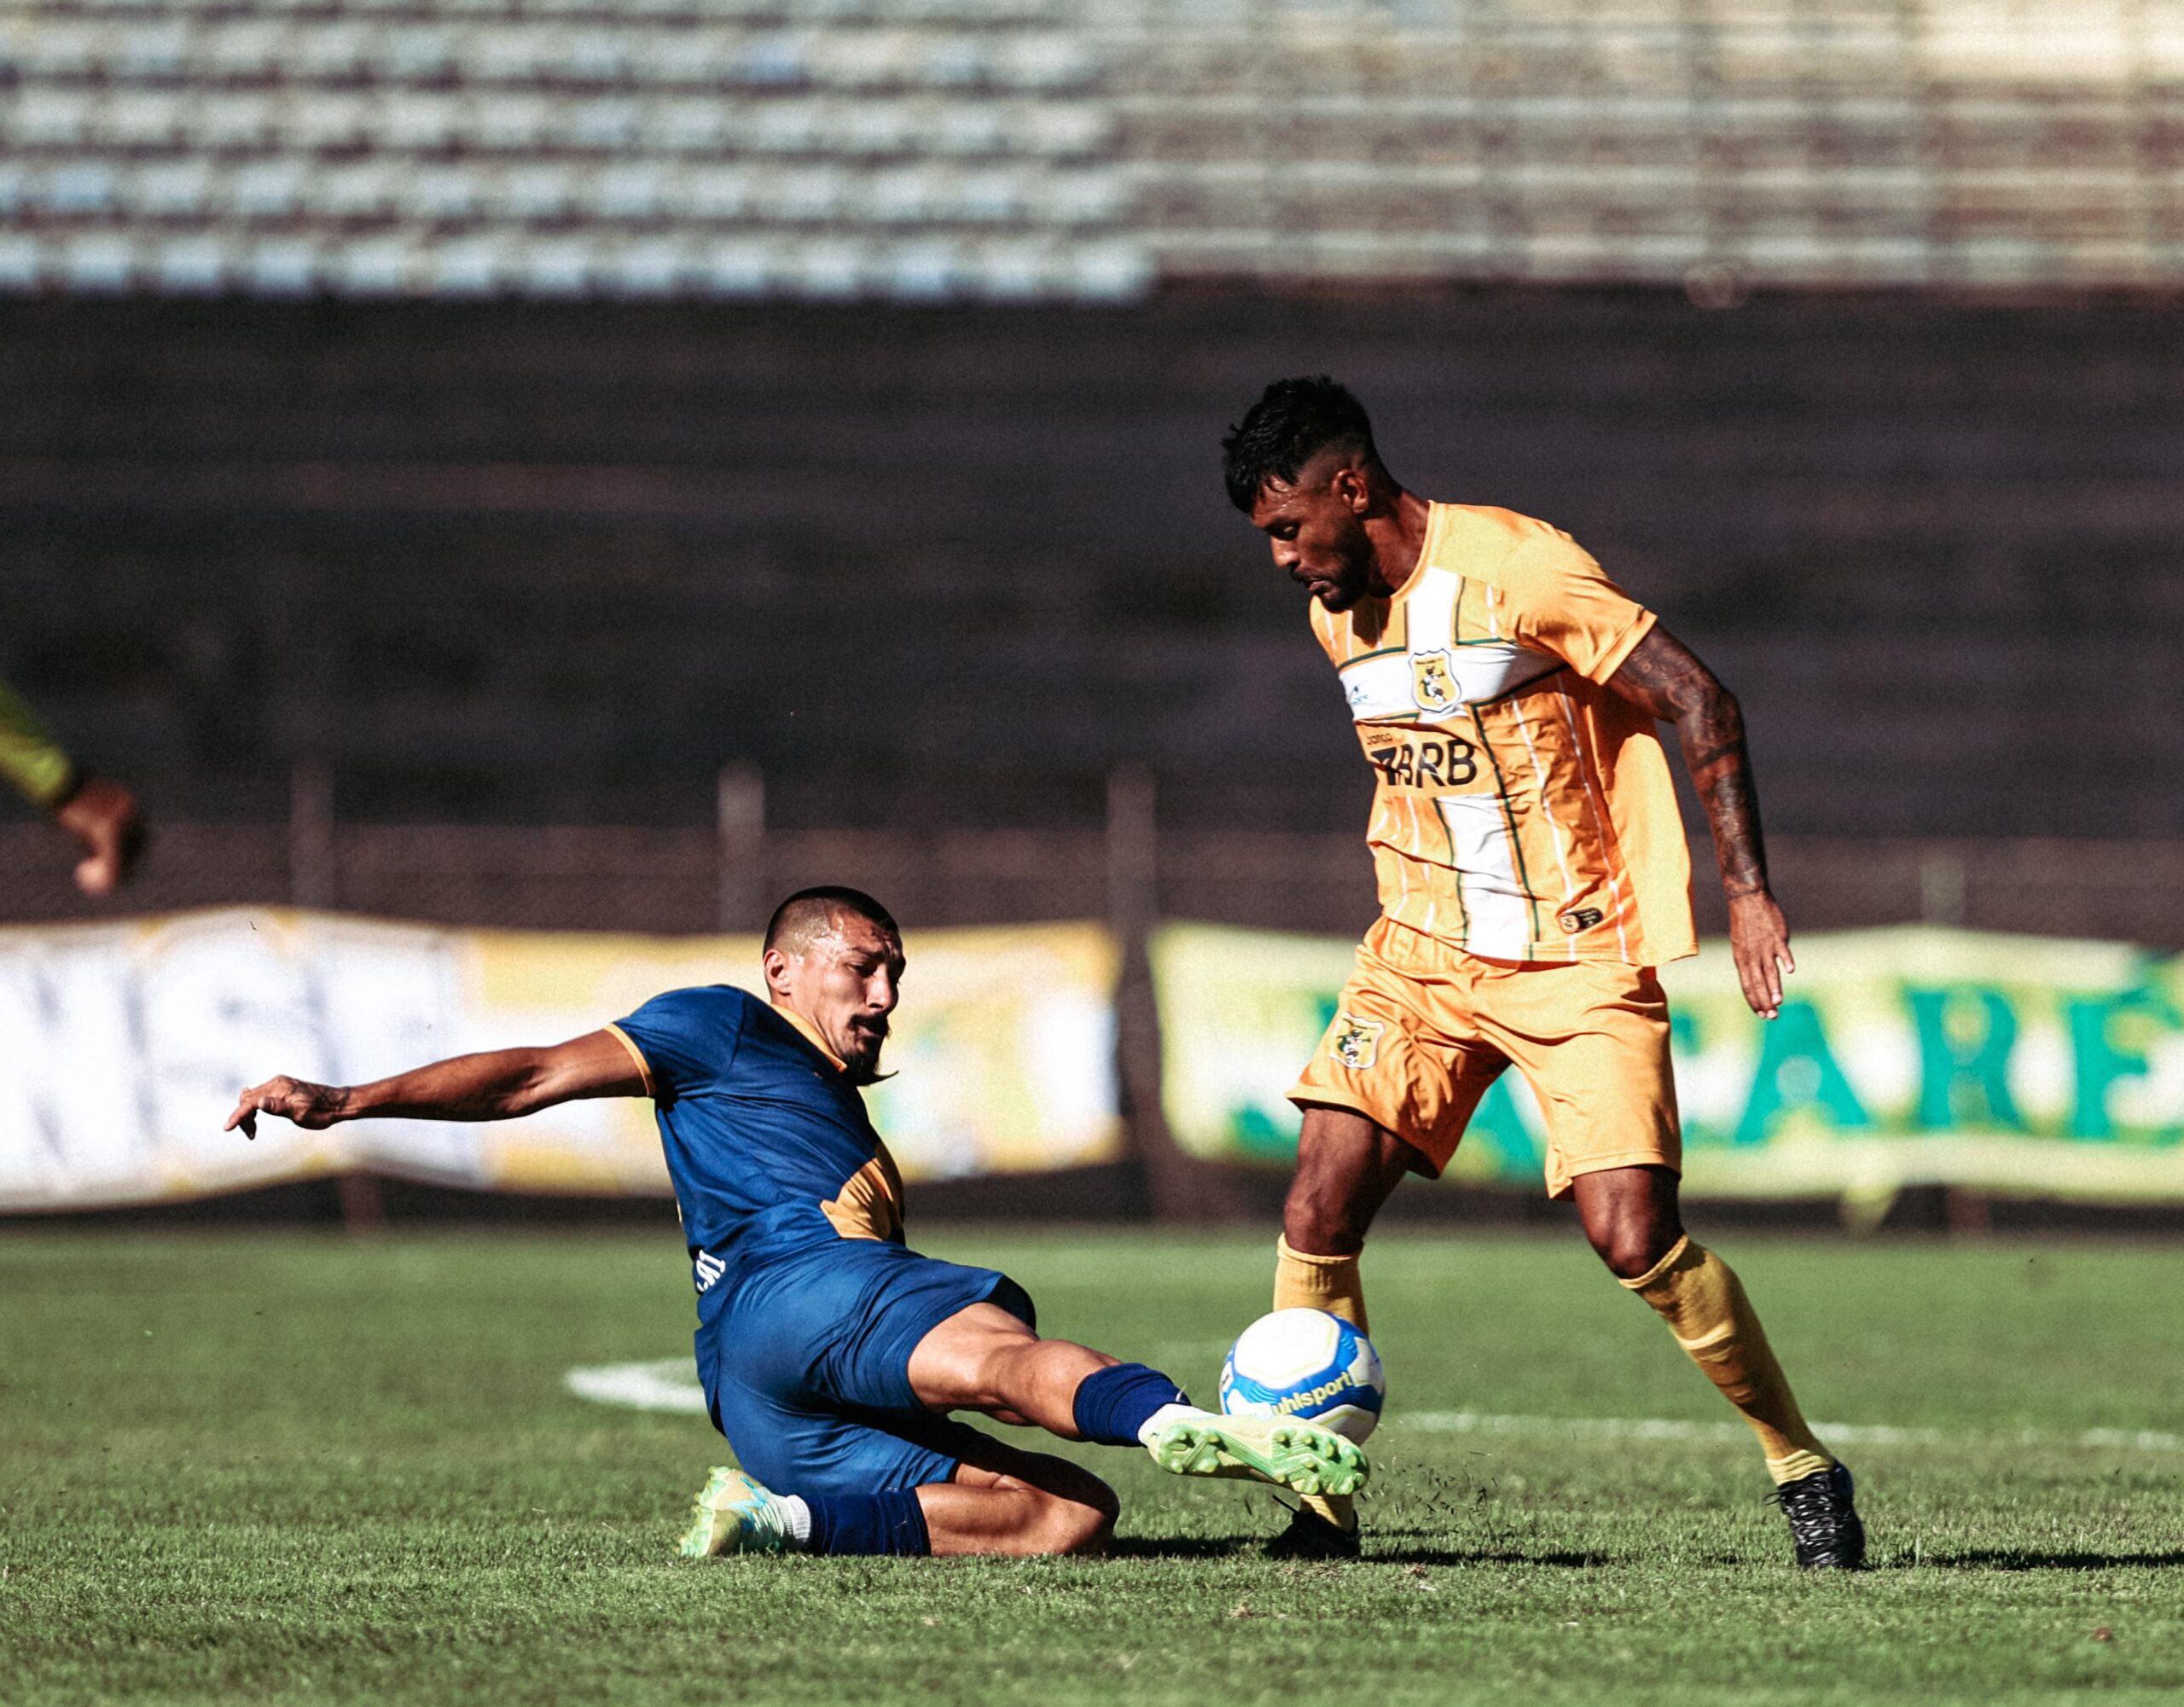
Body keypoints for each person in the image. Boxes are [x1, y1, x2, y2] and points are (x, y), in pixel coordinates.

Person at [227, 885, 1368, 1559]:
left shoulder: (844, 1119)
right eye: (862, 969)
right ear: (783, 968)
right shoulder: (721, 1026)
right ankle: (1172, 1417)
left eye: (896, 976)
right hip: (804, 1285)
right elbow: (529, 1074)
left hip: (750, 1391)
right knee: (999, 1352)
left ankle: (782, 1522)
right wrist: (348, 1100)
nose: (883, 997)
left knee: (1065, 1515)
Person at [1221, 376, 1864, 1569]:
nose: (1281, 559)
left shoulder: (1522, 569)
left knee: (1636, 1239)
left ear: (1349, 488)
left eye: (1286, 527)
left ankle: (1801, 1461)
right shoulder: (1337, 613)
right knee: (1318, 1205)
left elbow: (1696, 696)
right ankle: (1321, 1513)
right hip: (1418, 958)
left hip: (1573, 955)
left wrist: (1748, 891)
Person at [0, 671, 145, 896]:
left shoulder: (90, 810)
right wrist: (109, 864)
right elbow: (119, 810)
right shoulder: (103, 813)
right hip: (60, 781)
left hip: (57, 784)